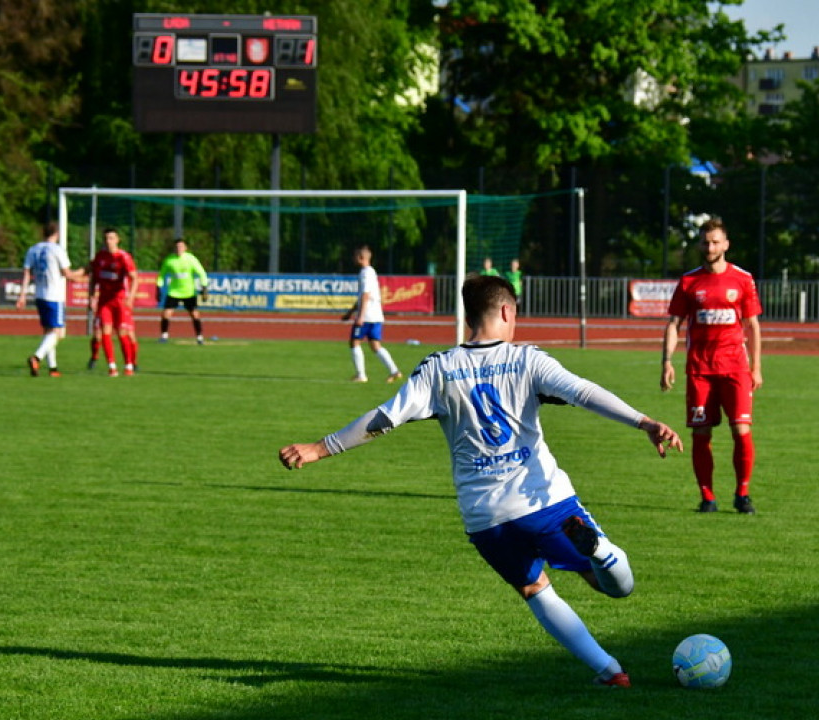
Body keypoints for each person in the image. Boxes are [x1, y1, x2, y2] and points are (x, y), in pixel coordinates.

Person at [281, 275, 683, 687]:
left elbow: (385, 418)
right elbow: (583, 392)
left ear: (468, 315)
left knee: (535, 589)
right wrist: (643, 422)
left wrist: (319, 447)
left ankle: (609, 671)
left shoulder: (438, 368)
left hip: (485, 516)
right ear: (507, 311)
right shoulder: (527, 359)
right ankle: (600, 550)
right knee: (614, 587)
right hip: (544, 500)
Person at [660, 217, 763, 515]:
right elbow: (674, 324)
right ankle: (707, 497)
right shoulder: (689, 281)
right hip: (700, 369)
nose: (710, 247)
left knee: (741, 430)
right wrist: (667, 361)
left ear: (726, 244)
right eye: (706, 242)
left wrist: (756, 367)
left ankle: (742, 494)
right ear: (700, 245)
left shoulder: (742, 279)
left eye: (716, 241)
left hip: (735, 367)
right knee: (700, 433)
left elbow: (752, 325)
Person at [16, 222, 87, 377]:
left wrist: (22, 296)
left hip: (39, 295)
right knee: (59, 333)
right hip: (54, 296)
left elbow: (27, 273)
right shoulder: (57, 250)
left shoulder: (33, 249)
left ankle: (53, 368)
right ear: (57, 233)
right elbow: (67, 274)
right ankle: (36, 357)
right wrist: (83, 272)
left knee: (48, 331)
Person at [341, 244, 402, 383]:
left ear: (361, 258)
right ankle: (394, 371)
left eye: (355, 256)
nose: (353, 258)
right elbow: (362, 296)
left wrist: (360, 316)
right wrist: (350, 312)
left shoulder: (365, 273)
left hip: (367, 316)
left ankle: (361, 375)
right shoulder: (371, 272)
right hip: (376, 316)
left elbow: (366, 295)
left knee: (354, 342)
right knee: (375, 346)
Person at [89, 227, 139, 377]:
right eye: (106, 239)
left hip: (119, 300)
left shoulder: (123, 257)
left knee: (123, 333)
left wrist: (130, 298)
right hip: (104, 300)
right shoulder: (100, 257)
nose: (108, 241)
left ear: (117, 240)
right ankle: (112, 366)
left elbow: (135, 278)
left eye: (111, 238)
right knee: (105, 332)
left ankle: (129, 365)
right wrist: (92, 296)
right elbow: (93, 278)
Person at [156, 238, 209, 345]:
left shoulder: (191, 259)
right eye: (177, 247)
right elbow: (162, 275)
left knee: (195, 314)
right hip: (174, 292)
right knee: (166, 314)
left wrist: (204, 287)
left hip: (189, 292)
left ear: (185, 248)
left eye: (181, 246)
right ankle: (164, 336)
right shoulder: (169, 260)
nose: (179, 249)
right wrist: (158, 288)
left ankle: (199, 337)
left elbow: (201, 272)